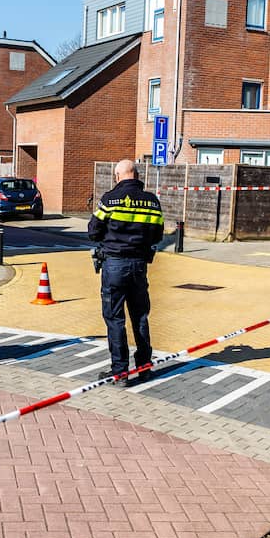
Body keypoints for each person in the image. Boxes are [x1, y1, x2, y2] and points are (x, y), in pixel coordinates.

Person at [88, 159, 165, 382]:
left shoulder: (109, 199)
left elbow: (93, 231)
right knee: (140, 315)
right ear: (137, 175)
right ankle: (144, 367)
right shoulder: (152, 201)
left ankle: (120, 372)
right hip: (139, 265)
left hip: (114, 265)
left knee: (115, 318)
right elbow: (158, 234)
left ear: (118, 176)